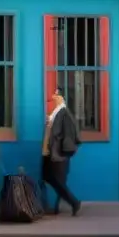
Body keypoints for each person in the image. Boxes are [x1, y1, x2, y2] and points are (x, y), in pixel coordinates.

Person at [41, 88, 82, 216]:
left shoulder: (64, 113)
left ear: (62, 98)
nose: (54, 97)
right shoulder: (56, 113)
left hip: (58, 154)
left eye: (57, 95)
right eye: (54, 95)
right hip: (49, 152)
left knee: (58, 180)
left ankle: (74, 202)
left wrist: (64, 153)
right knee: (49, 177)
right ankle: (59, 206)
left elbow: (68, 136)